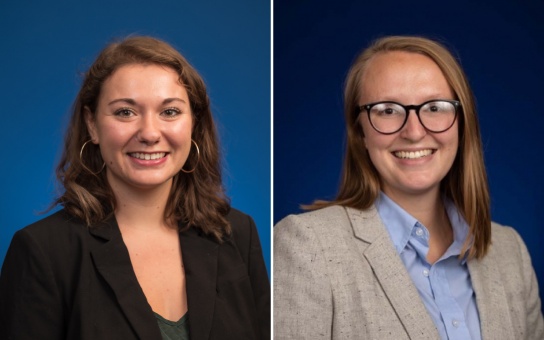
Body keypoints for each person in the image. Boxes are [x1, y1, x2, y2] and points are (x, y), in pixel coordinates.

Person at [0, 36, 270, 339]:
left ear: (194, 122)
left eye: (169, 111)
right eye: (125, 112)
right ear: (92, 124)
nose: (149, 133)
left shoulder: (238, 233)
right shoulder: (43, 252)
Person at [274, 36, 543, 339]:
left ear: (461, 121)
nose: (414, 132)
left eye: (435, 107)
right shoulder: (308, 247)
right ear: (360, 131)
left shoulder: (510, 252)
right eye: (388, 110)